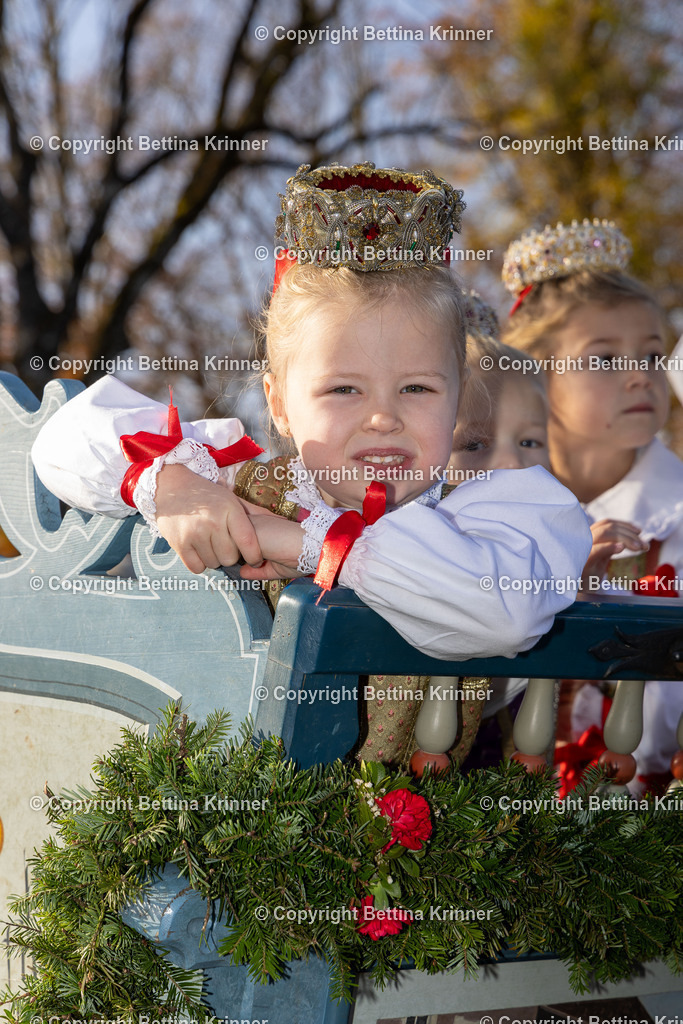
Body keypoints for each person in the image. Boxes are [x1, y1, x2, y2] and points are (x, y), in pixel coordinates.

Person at [32, 162, 592, 766]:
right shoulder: (245, 485)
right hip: (242, 809)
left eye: (418, 389)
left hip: (427, 824)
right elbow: (61, 438)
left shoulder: (494, 521)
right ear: (278, 404)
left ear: (457, 397)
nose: (383, 417)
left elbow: (505, 615)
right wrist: (174, 486)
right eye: (343, 389)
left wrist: (311, 546)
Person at [501, 217, 683, 792]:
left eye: (652, 355)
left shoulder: (676, 520)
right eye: (604, 359)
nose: (641, 377)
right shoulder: (495, 511)